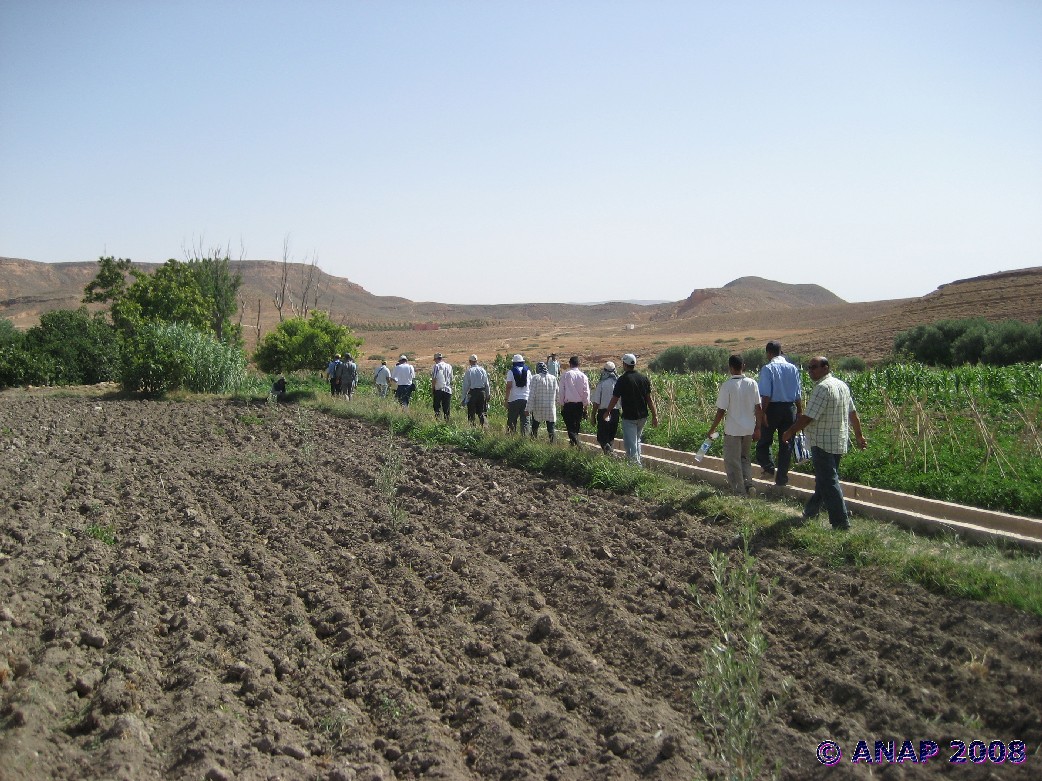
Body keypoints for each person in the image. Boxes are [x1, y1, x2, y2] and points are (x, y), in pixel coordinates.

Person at [782, 356, 867, 530]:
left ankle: (840, 522)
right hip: (838, 441)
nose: (810, 370)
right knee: (824, 479)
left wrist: (790, 431)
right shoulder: (842, 386)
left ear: (826, 367)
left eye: (814, 367)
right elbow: (853, 414)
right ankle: (811, 511)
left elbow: (808, 417)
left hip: (822, 442)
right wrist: (859, 436)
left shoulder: (822, 388)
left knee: (829, 481)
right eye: (809, 367)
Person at [707, 354, 762, 496]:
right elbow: (759, 408)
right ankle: (749, 485)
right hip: (749, 429)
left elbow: (721, 410)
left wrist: (712, 429)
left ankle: (739, 491)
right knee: (744, 458)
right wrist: (758, 428)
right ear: (743, 366)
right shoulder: (752, 383)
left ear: (730, 368)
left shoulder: (727, 386)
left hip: (733, 430)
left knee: (733, 461)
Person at [756, 341, 803, 487]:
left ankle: (768, 468)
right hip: (789, 409)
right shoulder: (793, 368)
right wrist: (799, 411)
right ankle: (782, 478)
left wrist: (762, 413)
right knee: (786, 443)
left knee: (764, 440)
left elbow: (766, 395)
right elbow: (797, 393)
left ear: (769, 353)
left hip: (772, 408)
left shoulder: (768, 368)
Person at [601, 353, 658, 466]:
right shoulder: (643, 378)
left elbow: (615, 398)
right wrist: (655, 415)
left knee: (630, 443)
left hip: (629, 417)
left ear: (624, 364)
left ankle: (635, 467)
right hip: (643, 416)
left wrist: (607, 411)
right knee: (637, 440)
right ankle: (637, 462)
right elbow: (649, 399)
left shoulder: (622, 380)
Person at [557, 355, 590, 447]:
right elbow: (586, 392)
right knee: (576, 427)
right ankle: (574, 445)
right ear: (579, 364)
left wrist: (562, 405)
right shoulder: (583, 376)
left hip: (568, 405)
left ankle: (578, 445)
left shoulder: (565, 375)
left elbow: (561, 391)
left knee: (570, 427)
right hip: (579, 405)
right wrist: (585, 408)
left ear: (570, 364)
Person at [591, 361, 620, 454]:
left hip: (604, 412)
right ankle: (609, 454)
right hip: (615, 412)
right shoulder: (618, 383)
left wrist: (593, 415)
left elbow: (596, 402)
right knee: (611, 437)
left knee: (602, 437)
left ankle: (610, 453)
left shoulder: (602, 383)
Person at [527, 361, 559, 442]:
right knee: (551, 428)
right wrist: (559, 404)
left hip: (538, 406)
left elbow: (531, 395)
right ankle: (553, 444)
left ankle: (533, 442)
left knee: (535, 426)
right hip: (550, 406)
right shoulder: (553, 378)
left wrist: (528, 409)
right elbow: (558, 393)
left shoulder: (535, 378)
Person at [461, 354, 491, 427]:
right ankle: (485, 427)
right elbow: (486, 383)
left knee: (471, 412)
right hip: (482, 393)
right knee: (482, 411)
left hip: (473, 393)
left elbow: (466, 386)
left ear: (470, 361)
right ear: (476, 361)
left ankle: (472, 427)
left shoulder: (469, 371)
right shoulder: (482, 370)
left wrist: (463, 398)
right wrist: (488, 394)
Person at [505, 354, 531, 435]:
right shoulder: (528, 371)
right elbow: (531, 386)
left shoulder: (511, 372)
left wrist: (506, 400)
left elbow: (509, 386)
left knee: (512, 421)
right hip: (526, 399)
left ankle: (511, 438)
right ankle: (524, 440)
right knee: (525, 422)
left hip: (514, 399)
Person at [431, 353, 454, 420]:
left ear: (436, 359)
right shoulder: (449, 366)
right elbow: (451, 378)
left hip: (438, 389)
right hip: (448, 390)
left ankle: (438, 421)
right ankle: (447, 422)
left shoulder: (436, 366)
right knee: (446, 408)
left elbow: (434, 379)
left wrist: (432, 389)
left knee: (437, 407)